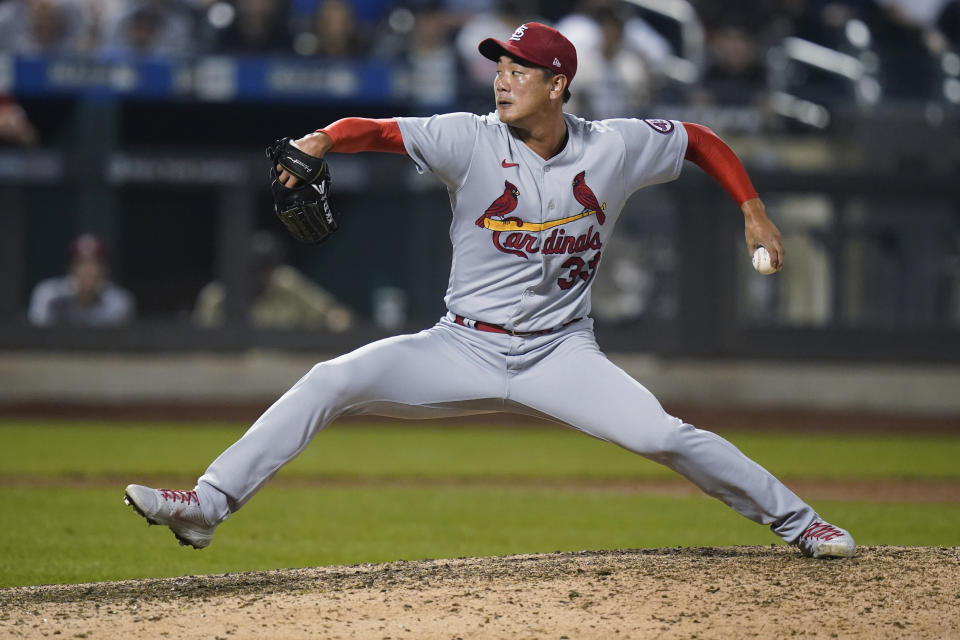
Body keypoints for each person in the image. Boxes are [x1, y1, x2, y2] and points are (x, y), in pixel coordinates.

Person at [124, 22, 855, 559]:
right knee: (329, 380)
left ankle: (803, 523)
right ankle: (209, 504)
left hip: (561, 354)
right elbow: (375, 130)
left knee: (665, 435)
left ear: (558, 85)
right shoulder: (466, 137)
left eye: (521, 69)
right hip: (460, 345)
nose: (503, 78)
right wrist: (320, 140)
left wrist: (752, 210)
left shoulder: (614, 145)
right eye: (500, 66)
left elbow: (697, 138)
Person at [193, 230, 353, 331]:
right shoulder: (217, 295)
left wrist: (337, 326)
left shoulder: (287, 283)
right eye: (255, 269)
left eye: (266, 269)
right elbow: (200, 340)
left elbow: (336, 315)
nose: (260, 276)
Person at [29, 233, 135, 327]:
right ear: (72, 267)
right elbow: (36, 334)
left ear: (104, 269)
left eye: (94, 263)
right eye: (82, 263)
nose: (88, 270)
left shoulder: (119, 300)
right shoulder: (48, 293)